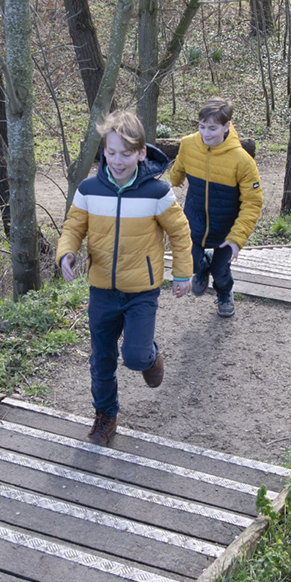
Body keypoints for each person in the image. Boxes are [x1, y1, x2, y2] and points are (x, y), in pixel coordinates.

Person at [56, 110, 193, 446]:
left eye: (126, 153)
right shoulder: (89, 189)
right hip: (102, 289)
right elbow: (74, 227)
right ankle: (105, 417)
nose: (117, 161)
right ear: (104, 151)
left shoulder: (156, 192)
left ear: (141, 153)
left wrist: (183, 273)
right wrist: (66, 253)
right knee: (101, 360)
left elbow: (180, 232)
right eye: (111, 152)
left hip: (141, 291)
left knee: (134, 356)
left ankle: (150, 355)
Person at [170, 97, 263, 318]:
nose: (206, 134)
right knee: (190, 263)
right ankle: (202, 268)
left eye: (212, 128)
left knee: (221, 273)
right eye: (202, 127)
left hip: (225, 229)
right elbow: (178, 168)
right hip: (194, 222)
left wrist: (237, 238)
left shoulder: (243, 161)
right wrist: (175, 178)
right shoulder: (188, 144)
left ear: (226, 126)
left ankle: (224, 293)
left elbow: (253, 203)